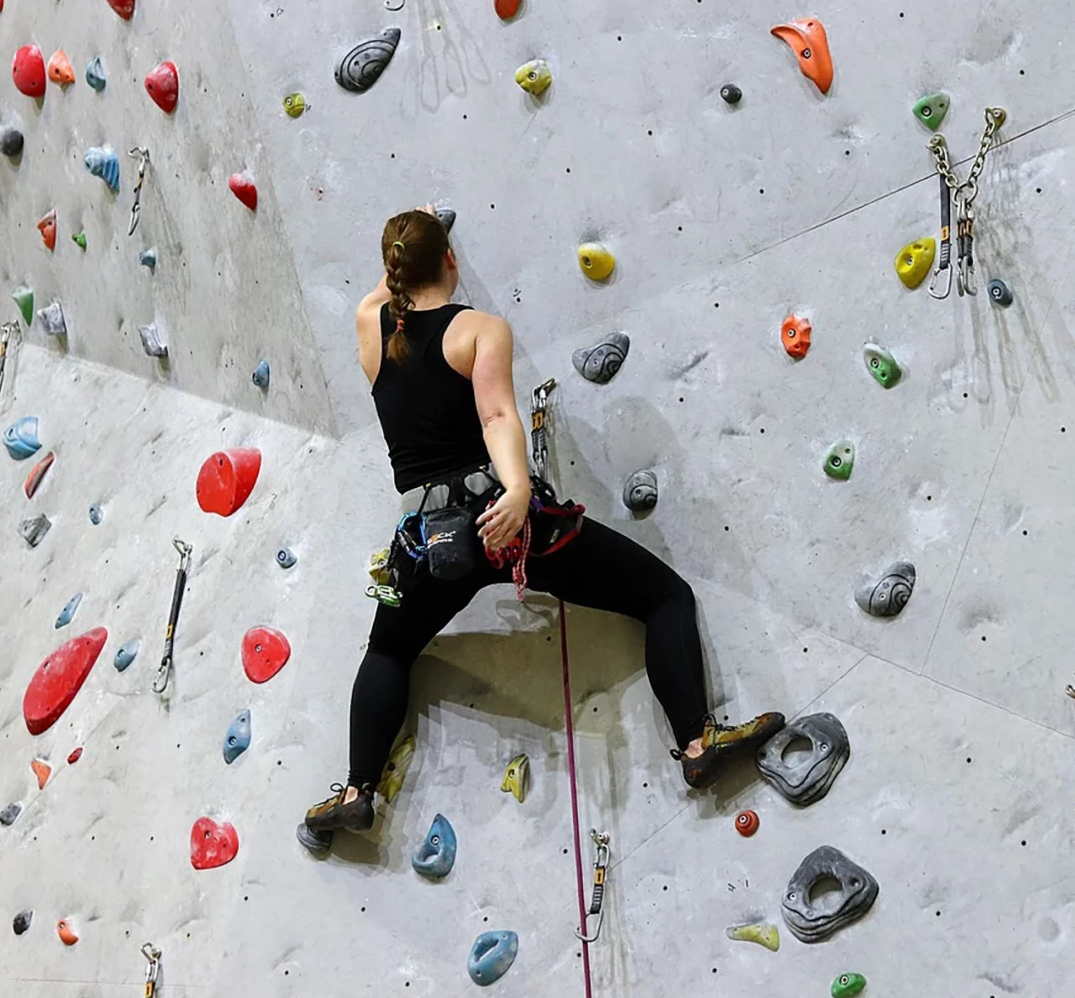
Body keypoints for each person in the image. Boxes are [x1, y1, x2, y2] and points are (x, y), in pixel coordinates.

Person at [301, 208, 783, 842]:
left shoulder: (371, 324)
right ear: (451, 261)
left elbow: (384, 291)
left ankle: (358, 790)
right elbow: (498, 417)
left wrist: (412, 250)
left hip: (425, 542)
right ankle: (697, 742)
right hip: (504, 522)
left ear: (391, 268)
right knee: (665, 595)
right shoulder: (479, 330)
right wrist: (521, 488)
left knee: (388, 649)